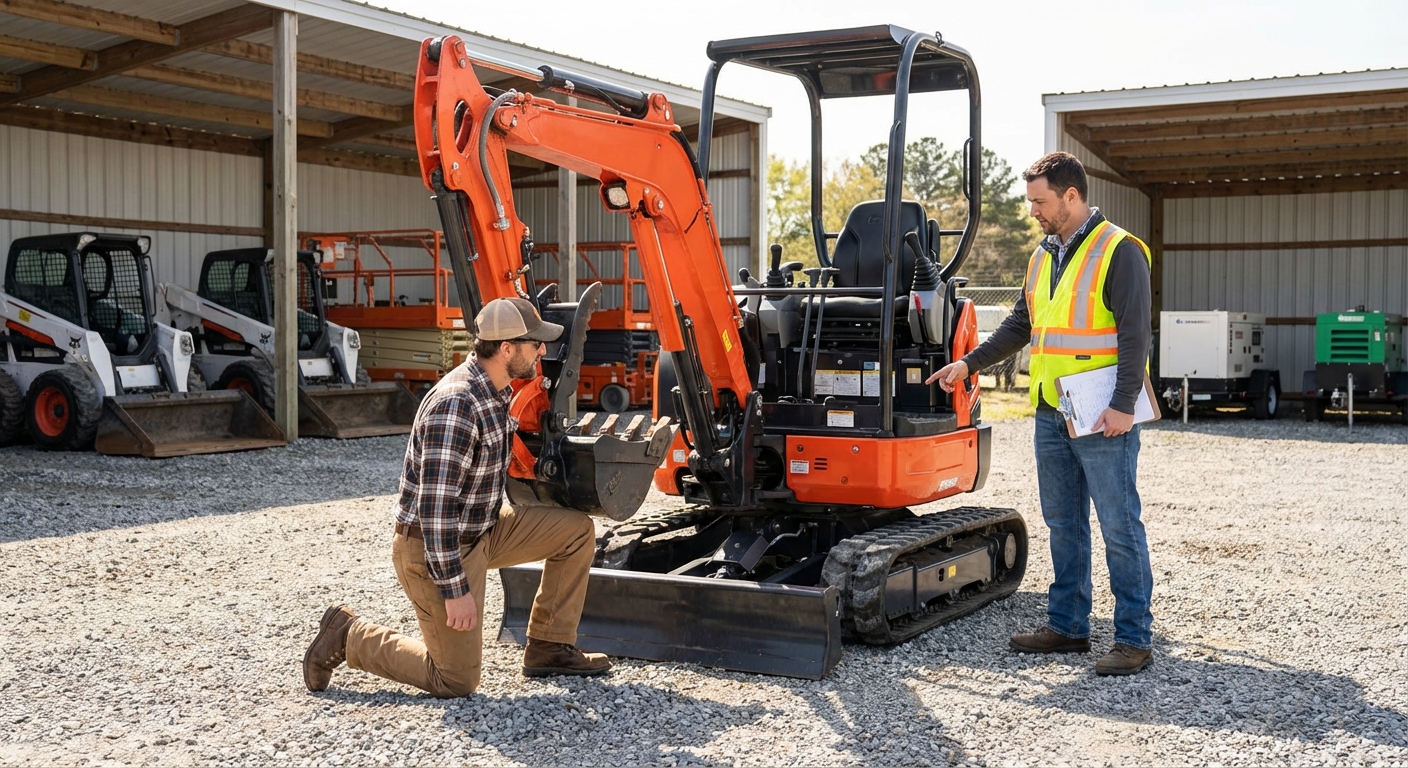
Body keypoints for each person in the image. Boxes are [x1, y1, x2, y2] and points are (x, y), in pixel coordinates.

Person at [303, 297, 610, 697]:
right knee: (455, 680)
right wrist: (456, 591)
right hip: (434, 550)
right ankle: (348, 636)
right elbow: (436, 512)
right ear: (506, 349)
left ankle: (548, 646)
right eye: (535, 343)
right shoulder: (457, 405)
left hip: (481, 530)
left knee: (575, 532)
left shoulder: (495, 391)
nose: (543, 351)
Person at [928, 152, 1155, 676]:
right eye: (1031, 201)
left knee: (1119, 526)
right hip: (1053, 411)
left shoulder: (1119, 251)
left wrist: (1123, 405)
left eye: (1040, 201)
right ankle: (1069, 627)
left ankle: (1134, 640)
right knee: (1063, 524)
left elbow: (1135, 335)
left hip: (1102, 415)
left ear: (1071, 196)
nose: (1033, 211)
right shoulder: (1042, 255)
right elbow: (1019, 326)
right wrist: (967, 364)